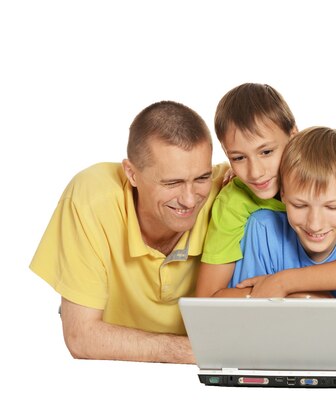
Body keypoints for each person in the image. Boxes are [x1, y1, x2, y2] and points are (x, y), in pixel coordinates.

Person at [30, 101, 228, 363]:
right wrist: (192, 350)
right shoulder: (91, 198)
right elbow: (81, 336)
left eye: (202, 178)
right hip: (116, 375)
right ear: (132, 174)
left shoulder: (228, 189)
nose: (190, 200)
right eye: (172, 182)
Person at [195, 83, 336, 298]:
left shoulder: (329, 181)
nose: (255, 172)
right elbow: (206, 299)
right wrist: (288, 298)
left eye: (266, 152)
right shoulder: (234, 200)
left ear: (293, 136)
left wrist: (286, 283)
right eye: (238, 158)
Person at [230, 126, 336, 363]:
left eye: (331, 207)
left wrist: (311, 301)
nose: (315, 223)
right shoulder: (262, 229)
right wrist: (308, 297)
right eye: (300, 206)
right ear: (283, 195)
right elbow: (242, 317)